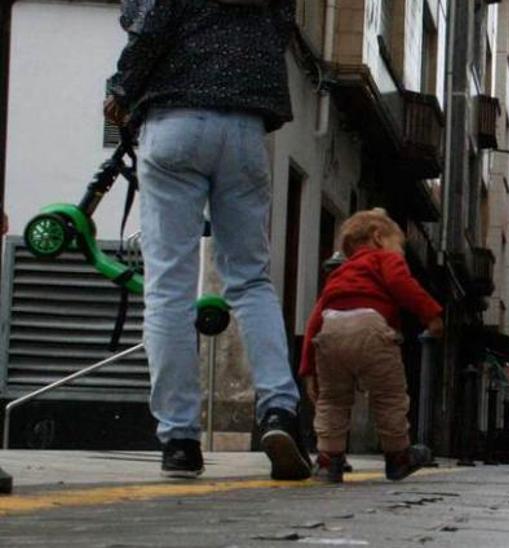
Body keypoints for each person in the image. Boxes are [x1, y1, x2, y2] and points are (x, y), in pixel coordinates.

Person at [105, 0, 308, 479]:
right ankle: (279, 411)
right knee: (251, 281)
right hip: (244, 131)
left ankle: (179, 439)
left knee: (168, 288)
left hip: (174, 123)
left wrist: (120, 90)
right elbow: (280, 36)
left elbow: (145, 25)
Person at [300, 209, 444, 483]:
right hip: (371, 328)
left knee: (331, 399)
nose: (400, 253)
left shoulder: (338, 275)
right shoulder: (384, 259)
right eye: (399, 246)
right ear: (378, 238)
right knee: (388, 395)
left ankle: (329, 459)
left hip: (330, 331)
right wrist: (431, 315)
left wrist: (308, 368)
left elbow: (314, 319)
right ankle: (398, 456)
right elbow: (403, 285)